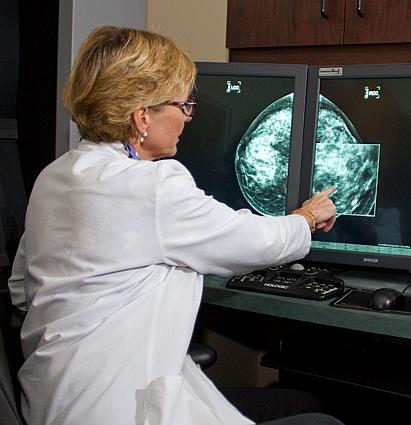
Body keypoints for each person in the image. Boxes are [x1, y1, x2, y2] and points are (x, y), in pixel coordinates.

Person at [7, 26, 341, 425]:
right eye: (183, 105)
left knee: (294, 403)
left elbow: (21, 292)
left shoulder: (54, 176)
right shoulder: (152, 185)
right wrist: (307, 216)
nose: (187, 117)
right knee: (321, 419)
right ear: (142, 115)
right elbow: (254, 243)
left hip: (52, 401)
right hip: (119, 410)